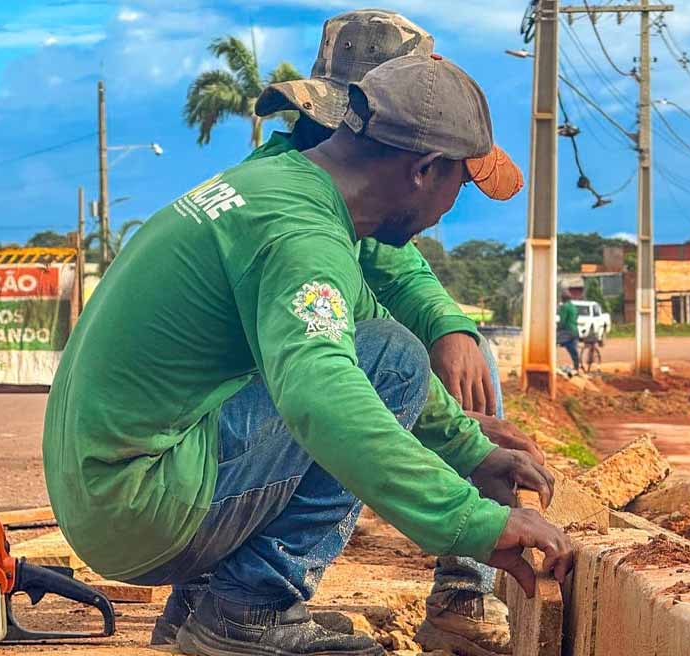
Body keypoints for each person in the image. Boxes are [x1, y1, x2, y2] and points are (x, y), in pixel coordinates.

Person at [43, 53, 573, 656]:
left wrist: (472, 453)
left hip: (111, 489)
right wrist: (471, 522)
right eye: (462, 183)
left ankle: (203, 606)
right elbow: (327, 392)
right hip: (142, 502)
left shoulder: (282, 189)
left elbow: (368, 329)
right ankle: (250, 616)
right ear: (426, 169)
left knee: (381, 353)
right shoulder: (302, 235)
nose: (454, 206)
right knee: (385, 363)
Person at [249, 10, 537, 656]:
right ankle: (248, 599)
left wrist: (448, 327)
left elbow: (397, 270)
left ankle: (462, 596)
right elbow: (329, 389)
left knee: (462, 356)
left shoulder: (344, 187)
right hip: (221, 433)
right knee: (359, 384)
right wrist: (471, 513)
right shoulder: (302, 195)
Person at [557, 290, 581, 371]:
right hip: (575, 330)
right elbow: (577, 317)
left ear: (562, 299)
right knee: (573, 350)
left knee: (555, 340)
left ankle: (549, 361)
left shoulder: (564, 307)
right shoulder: (573, 306)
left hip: (568, 331)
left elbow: (562, 321)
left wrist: (558, 328)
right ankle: (576, 367)